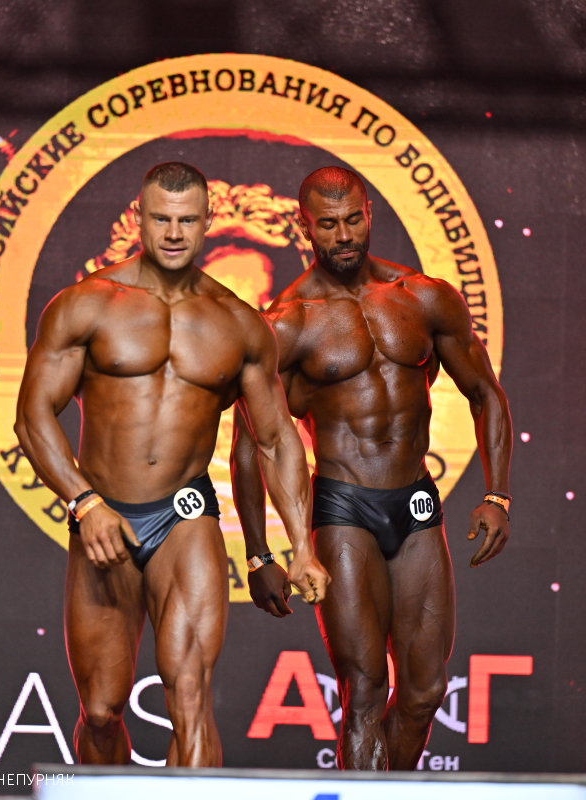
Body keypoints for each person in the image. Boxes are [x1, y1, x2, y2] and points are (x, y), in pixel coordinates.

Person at [14, 161, 330, 767]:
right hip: (103, 517)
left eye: (187, 220)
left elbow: (276, 439)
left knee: (189, 695)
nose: (175, 233)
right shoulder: (87, 305)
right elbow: (32, 417)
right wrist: (84, 501)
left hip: (185, 516)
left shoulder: (238, 322)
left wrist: (301, 546)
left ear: (208, 220)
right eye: (161, 219)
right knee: (101, 711)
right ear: (140, 217)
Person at [231, 166, 513, 770]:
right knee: (364, 692)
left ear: (368, 214)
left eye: (353, 220)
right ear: (305, 227)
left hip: (415, 502)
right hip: (343, 507)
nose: (343, 235)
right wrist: (258, 554)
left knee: (425, 691)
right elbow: (252, 442)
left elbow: (485, 393)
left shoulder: (425, 296)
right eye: (327, 224)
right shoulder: (287, 323)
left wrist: (498, 494)